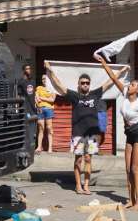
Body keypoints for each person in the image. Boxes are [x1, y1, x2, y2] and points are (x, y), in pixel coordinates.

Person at [45, 60, 129, 195]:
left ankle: (86, 186)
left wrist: (121, 71)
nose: (85, 85)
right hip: (78, 133)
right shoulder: (74, 96)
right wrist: (50, 70)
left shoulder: (95, 94)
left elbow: (110, 82)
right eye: (82, 83)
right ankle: (78, 185)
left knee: (89, 159)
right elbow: (59, 85)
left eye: (87, 83)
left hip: (92, 134)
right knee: (78, 159)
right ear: (79, 84)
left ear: (89, 85)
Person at [96, 55, 138, 210]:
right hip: (129, 136)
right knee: (127, 170)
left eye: (133, 84)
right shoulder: (125, 94)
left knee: (135, 169)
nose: (130, 85)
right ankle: (131, 200)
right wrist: (104, 63)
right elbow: (113, 77)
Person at [35, 75, 56, 153]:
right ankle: (39, 147)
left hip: (48, 109)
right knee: (41, 128)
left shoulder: (52, 89)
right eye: (43, 79)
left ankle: (50, 148)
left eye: (45, 79)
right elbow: (36, 98)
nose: (44, 80)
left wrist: (42, 98)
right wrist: (38, 103)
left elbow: (52, 100)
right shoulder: (39, 88)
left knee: (49, 128)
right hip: (40, 109)